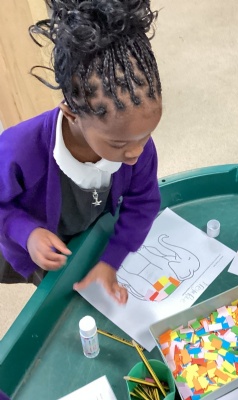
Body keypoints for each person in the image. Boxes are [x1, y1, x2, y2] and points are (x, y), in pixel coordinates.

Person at [0, 0, 163, 304]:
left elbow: (144, 203)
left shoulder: (135, 144)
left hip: (88, 231)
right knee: (57, 296)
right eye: (118, 144)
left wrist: (111, 260)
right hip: (38, 242)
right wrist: (26, 233)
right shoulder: (18, 150)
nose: (136, 152)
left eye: (147, 134)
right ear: (72, 114)